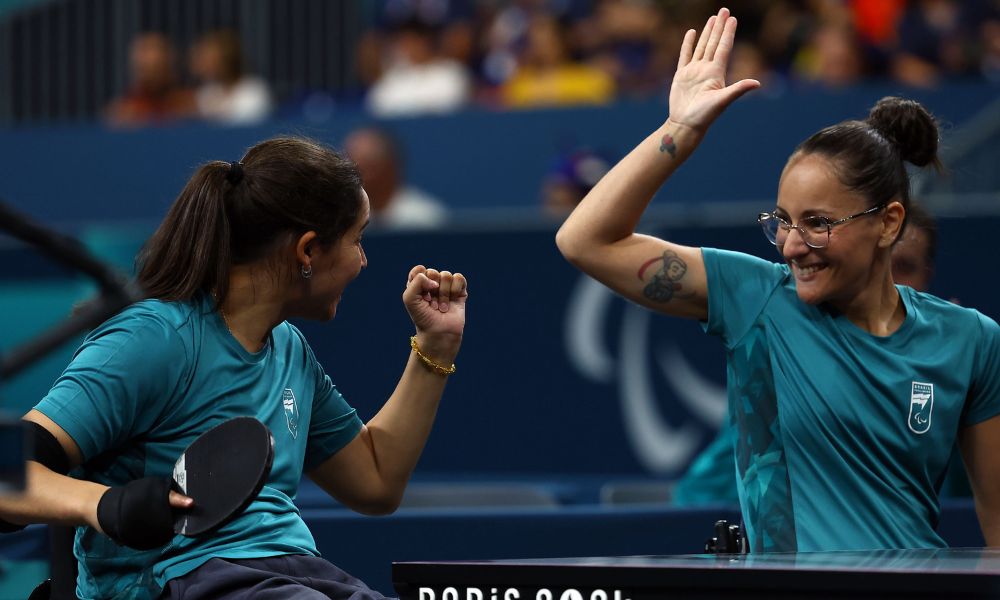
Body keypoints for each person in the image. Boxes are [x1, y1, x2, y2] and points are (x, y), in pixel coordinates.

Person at [556, 7, 1000, 552]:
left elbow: (997, 529)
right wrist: (680, 131)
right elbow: (584, 241)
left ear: (888, 223)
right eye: (784, 221)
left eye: (818, 223)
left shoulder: (971, 340)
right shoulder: (756, 299)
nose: (792, 245)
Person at [0, 136, 468, 598]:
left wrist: (436, 346)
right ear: (307, 251)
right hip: (178, 579)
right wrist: (105, 505)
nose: (363, 261)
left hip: (293, 572)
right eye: (357, 240)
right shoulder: (155, 340)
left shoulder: (289, 349)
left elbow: (376, 481)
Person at [343, 127, 449, 229]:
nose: (359, 177)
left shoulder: (427, 220)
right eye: (352, 168)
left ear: (390, 167)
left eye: (368, 167)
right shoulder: (343, 221)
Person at [105, 32, 196, 127]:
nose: (144, 61)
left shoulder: (189, 104)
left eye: (157, 68)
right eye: (142, 67)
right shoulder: (124, 110)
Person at [189, 30, 273, 125]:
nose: (201, 65)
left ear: (226, 60)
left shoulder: (254, 90)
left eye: (209, 59)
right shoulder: (207, 92)